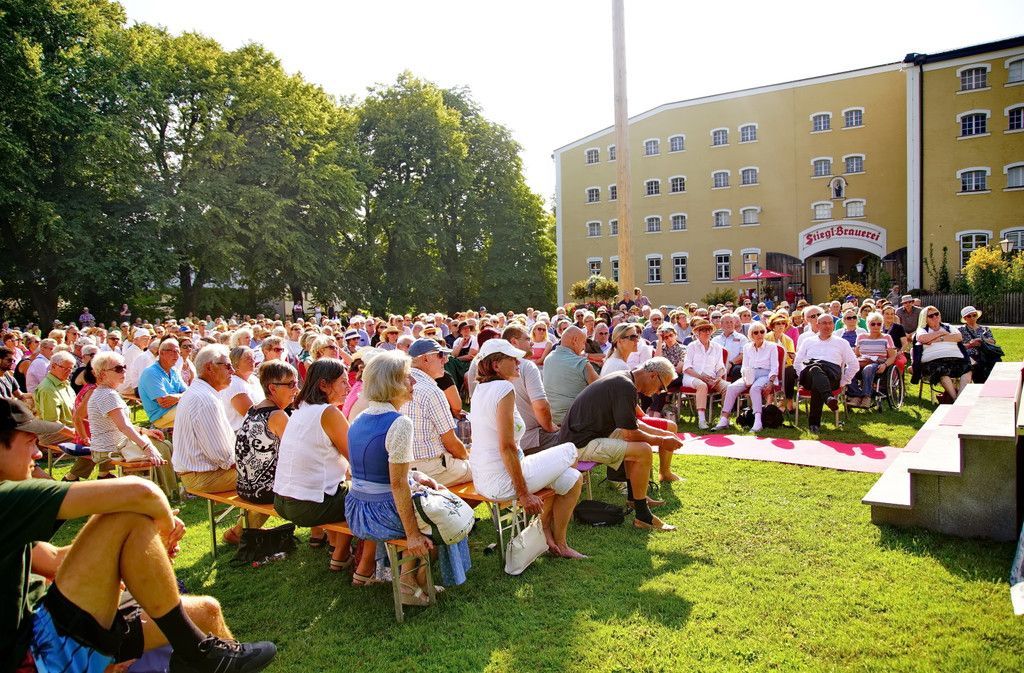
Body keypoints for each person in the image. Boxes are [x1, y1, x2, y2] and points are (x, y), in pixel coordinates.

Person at [0, 397, 278, 673]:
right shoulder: (5, 499)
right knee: (128, 513)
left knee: (206, 611)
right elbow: (142, 493)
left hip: (46, 627)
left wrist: (141, 544)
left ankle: (197, 652)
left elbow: (54, 559)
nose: (38, 453)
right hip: (38, 652)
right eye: (30, 442)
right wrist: (165, 527)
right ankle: (195, 650)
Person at [346, 351, 472, 598]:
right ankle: (413, 582)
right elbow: (397, 484)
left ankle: (409, 579)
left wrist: (418, 478)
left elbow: (376, 472)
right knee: (447, 517)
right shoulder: (399, 423)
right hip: (379, 513)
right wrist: (413, 535)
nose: (414, 381)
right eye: (407, 377)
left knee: (435, 502)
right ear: (392, 383)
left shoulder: (361, 417)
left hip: (356, 510)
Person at [469, 340, 587, 556]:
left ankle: (557, 543)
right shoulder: (504, 388)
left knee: (572, 478)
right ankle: (545, 533)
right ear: (496, 365)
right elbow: (507, 447)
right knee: (570, 449)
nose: (518, 362)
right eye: (512, 358)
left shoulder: (480, 389)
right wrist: (524, 494)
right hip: (503, 481)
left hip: (484, 479)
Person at [554, 357, 679, 531]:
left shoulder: (624, 379)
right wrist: (663, 441)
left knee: (636, 444)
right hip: (577, 446)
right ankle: (643, 516)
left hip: (579, 439)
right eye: (661, 387)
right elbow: (631, 433)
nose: (659, 392)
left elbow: (633, 424)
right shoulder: (625, 386)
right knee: (643, 449)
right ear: (653, 375)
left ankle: (635, 499)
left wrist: (665, 434)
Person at [273, 358, 364, 573]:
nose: (349, 387)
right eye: (343, 382)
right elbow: (357, 460)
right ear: (324, 385)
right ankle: (352, 558)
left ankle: (338, 549)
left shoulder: (300, 409)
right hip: (306, 507)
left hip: (282, 500)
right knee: (369, 494)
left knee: (348, 487)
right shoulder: (328, 412)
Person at [173, 344, 267, 543]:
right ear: (209, 368)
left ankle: (243, 529)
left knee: (266, 471)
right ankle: (240, 533)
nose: (232, 371)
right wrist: (252, 465)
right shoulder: (205, 400)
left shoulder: (202, 393)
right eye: (227, 366)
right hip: (203, 477)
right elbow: (222, 456)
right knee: (269, 480)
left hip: (200, 473)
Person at [87, 352, 171, 486]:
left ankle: (162, 491)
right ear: (102, 374)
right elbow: (124, 427)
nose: (124, 371)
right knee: (162, 447)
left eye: (124, 367)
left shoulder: (105, 392)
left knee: (162, 444)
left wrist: (145, 431)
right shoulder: (108, 395)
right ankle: (163, 491)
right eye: (118, 369)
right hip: (109, 449)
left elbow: (120, 424)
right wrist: (147, 448)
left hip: (110, 445)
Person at [402, 338, 471, 486]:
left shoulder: (398, 383)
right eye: (440, 355)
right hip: (433, 469)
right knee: (485, 470)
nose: (445, 360)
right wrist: (467, 457)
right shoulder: (431, 391)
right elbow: (451, 443)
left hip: (404, 469)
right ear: (425, 358)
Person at [235, 361, 296, 509]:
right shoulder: (277, 415)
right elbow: (297, 454)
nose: (296, 389)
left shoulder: (252, 410)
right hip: (266, 492)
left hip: (243, 488)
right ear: (272, 388)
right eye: (291, 384)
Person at [793, 313, 859, 433]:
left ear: (833, 325)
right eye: (824, 323)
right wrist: (801, 376)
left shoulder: (842, 343)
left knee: (817, 380)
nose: (827, 326)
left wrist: (843, 382)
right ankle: (828, 398)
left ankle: (814, 424)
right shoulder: (808, 341)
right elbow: (797, 362)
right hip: (809, 376)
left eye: (830, 323)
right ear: (817, 325)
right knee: (815, 369)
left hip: (831, 376)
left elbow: (854, 364)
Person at [502, 325, 560, 452]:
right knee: (573, 442)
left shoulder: (492, 368)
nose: (532, 343)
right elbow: (541, 406)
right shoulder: (527, 366)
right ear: (514, 342)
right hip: (528, 439)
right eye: (527, 339)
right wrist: (550, 428)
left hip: (502, 442)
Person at [715, 323, 780, 432]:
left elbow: (775, 367)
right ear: (751, 335)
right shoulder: (747, 347)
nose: (759, 334)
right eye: (756, 332)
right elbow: (744, 366)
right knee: (731, 388)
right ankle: (724, 419)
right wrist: (746, 377)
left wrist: (770, 382)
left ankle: (758, 421)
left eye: (762, 332)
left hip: (766, 374)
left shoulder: (772, 346)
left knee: (755, 389)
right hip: (750, 374)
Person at [542, 326, 598, 425]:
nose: (584, 347)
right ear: (575, 340)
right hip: (577, 422)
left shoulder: (548, 358)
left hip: (553, 420)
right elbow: (602, 390)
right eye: (583, 342)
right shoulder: (581, 363)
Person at [915, 306, 972, 401]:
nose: (935, 317)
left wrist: (937, 339)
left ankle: (960, 398)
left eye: (936, 314)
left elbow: (958, 337)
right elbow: (922, 338)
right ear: (925, 319)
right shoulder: (923, 329)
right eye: (931, 316)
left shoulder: (948, 326)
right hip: (934, 360)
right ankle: (955, 399)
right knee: (941, 372)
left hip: (955, 358)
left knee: (967, 370)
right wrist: (941, 333)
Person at [681, 319, 728, 429]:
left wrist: (718, 377)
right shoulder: (691, 346)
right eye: (704, 330)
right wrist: (701, 377)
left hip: (712, 378)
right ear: (697, 332)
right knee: (702, 385)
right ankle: (702, 420)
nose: (707, 332)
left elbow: (721, 367)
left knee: (728, 387)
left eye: (709, 330)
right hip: (692, 377)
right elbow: (686, 368)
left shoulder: (717, 347)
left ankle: (724, 419)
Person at [849, 312, 897, 407]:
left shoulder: (886, 337)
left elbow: (892, 356)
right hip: (863, 361)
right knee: (848, 368)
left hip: (878, 363)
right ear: (868, 324)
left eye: (879, 324)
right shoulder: (861, 337)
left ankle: (867, 397)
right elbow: (857, 354)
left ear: (882, 325)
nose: (876, 326)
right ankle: (855, 395)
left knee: (868, 369)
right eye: (873, 324)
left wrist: (885, 365)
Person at [137, 338, 186, 430]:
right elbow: (164, 402)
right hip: (160, 416)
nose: (176, 355)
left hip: (175, 409)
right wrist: (181, 396)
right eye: (173, 351)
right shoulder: (151, 372)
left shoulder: (173, 370)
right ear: (161, 353)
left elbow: (188, 392)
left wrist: (177, 397)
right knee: (197, 410)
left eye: (178, 352)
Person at [220, 346, 265, 432]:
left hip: (255, 429)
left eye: (253, 357)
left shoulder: (253, 379)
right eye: (248, 358)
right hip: (240, 433)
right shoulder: (234, 384)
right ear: (236, 363)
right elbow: (252, 415)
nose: (253, 361)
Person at [959, 305, 1001, 384]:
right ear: (965, 318)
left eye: (974, 315)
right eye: (969, 316)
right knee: (978, 369)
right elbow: (958, 346)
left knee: (995, 366)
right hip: (971, 356)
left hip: (987, 354)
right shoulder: (960, 330)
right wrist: (970, 344)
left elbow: (993, 341)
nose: (972, 317)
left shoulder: (985, 329)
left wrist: (982, 340)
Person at [765, 313, 797, 412]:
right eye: (778, 323)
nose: (781, 325)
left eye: (783, 323)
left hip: (784, 367)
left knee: (790, 371)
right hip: (768, 366)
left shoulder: (788, 340)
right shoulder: (766, 338)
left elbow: (791, 358)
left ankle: (789, 402)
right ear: (772, 326)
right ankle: (771, 403)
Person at [713, 315, 747, 381]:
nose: (729, 324)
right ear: (721, 324)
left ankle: (733, 387)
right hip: (717, 365)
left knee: (737, 370)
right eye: (727, 322)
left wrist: (731, 363)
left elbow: (743, 355)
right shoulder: (715, 339)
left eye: (731, 322)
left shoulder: (742, 338)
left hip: (733, 364)